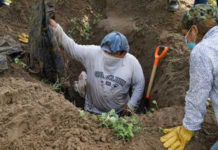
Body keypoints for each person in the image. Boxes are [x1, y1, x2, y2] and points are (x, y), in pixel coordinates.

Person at [49, 19, 145, 115]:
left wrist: (131, 106)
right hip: (92, 111)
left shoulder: (132, 63)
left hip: (118, 113)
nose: (106, 54)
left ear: (123, 53)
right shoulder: (94, 53)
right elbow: (73, 48)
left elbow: (139, 83)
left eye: (110, 53)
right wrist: (57, 29)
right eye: (105, 51)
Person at [160, 4, 218, 150]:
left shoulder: (203, 51)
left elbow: (198, 94)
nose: (186, 40)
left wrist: (188, 128)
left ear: (194, 30)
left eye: (186, 34)